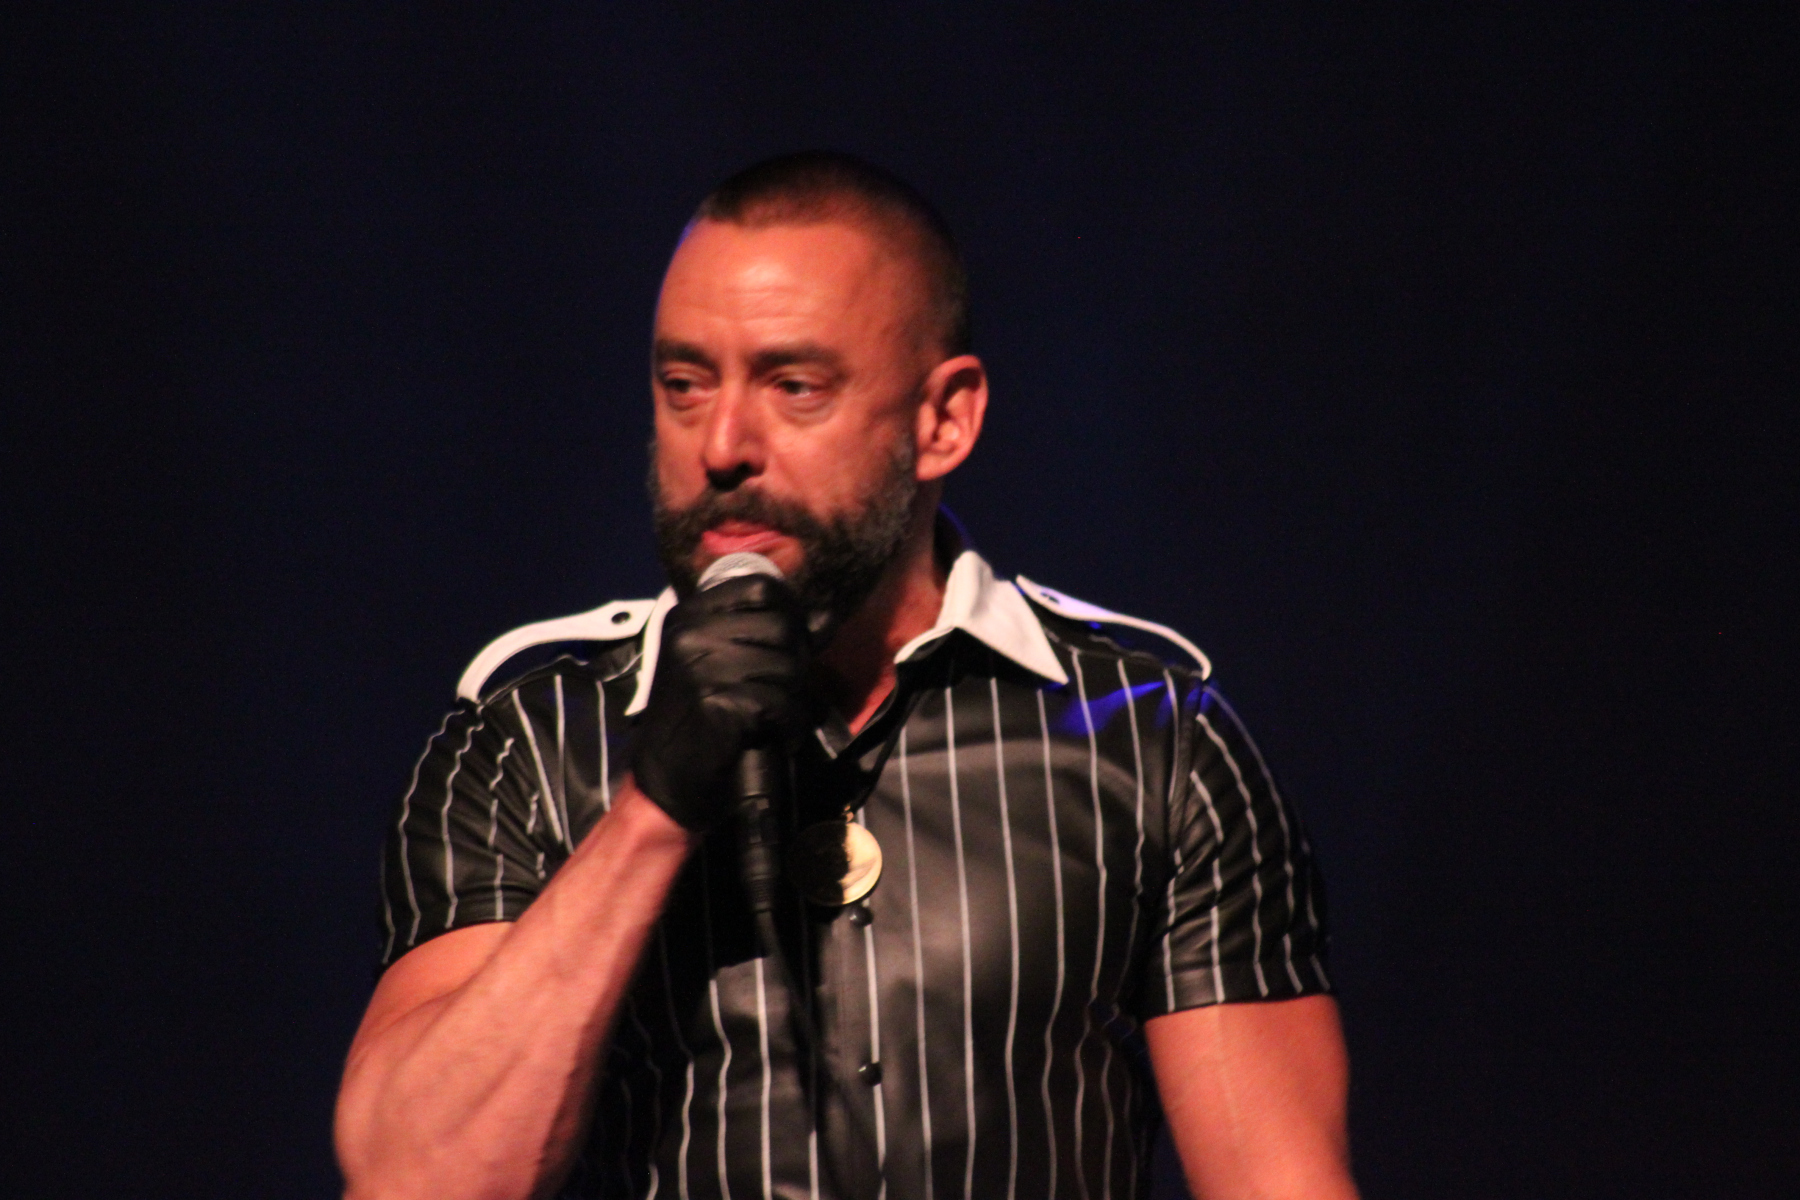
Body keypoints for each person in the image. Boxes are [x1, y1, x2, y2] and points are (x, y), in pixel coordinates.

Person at [334, 151, 1358, 1200]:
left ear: (943, 420)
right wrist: (654, 809)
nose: (723, 445)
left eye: (795, 387)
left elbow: (1278, 1179)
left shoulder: (1150, 740)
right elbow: (415, 1176)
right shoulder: (531, 739)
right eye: (685, 385)